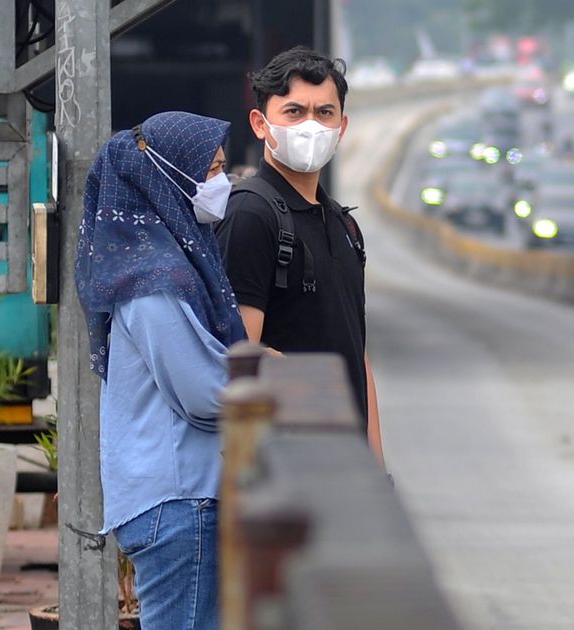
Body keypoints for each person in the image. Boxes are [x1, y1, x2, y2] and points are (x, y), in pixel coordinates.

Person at [75, 111, 246, 630]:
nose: (224, 181)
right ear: (171, 174)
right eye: (213, 170)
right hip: (181, 504)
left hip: (181, 502)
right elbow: (203, 394)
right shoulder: (154, 279)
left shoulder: (162, 261)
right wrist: (269, 379)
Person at [215, 46, 383, 464]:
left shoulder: (342, 223)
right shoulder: (251, 215)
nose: (311, 125)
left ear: (342, 127)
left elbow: (356, 356)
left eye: (324, 113)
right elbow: (239, 360)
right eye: (294, 112)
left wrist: (376, 468)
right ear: (260, 123)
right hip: (285, 471)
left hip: (346, 467)